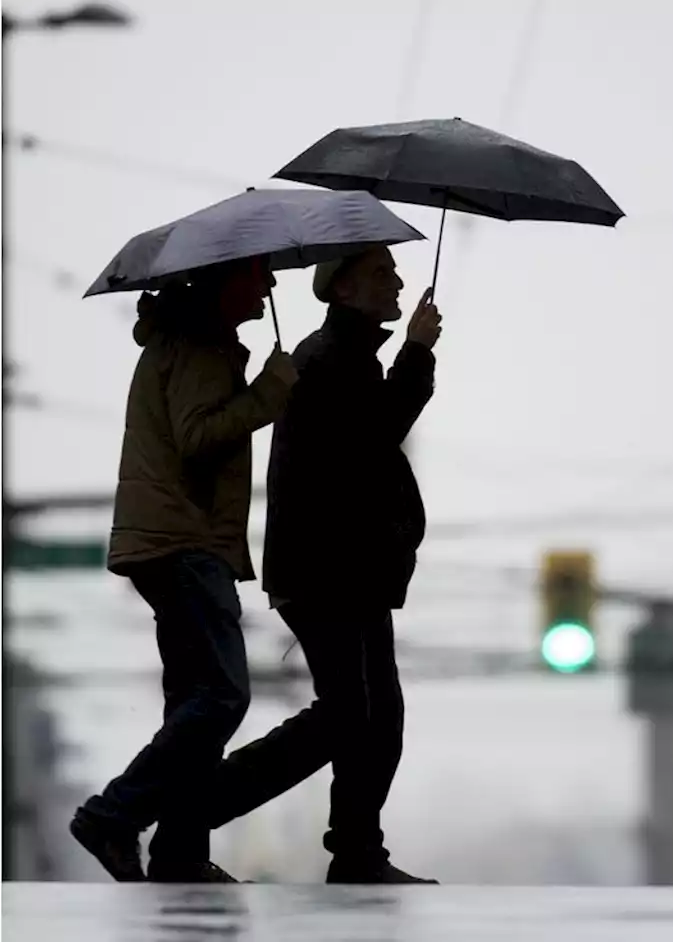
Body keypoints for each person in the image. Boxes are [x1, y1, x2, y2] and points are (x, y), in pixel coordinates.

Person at [193, 245, 442, 883]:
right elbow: (376, 433)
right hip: (327, 572)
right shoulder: (330, 359)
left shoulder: (348, 355)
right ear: (347, 288)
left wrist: (407, 356)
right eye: (383, 273)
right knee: (350, 716)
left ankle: (357, 850)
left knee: (372, 716)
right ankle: (194, 812)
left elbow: (370, 438)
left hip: (348, 571)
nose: (397, 283)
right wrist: (416, 350)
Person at [69, 257, 298, 883]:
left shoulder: (195, 340)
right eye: (260, 275)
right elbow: (197, 438)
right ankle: (113, 815)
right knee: (224, 694)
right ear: (227, 281)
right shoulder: (202, 345)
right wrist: (271, 392)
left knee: (193, 701)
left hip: (173, 537)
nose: (271, 286)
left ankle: (180, 851)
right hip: (183, 540)